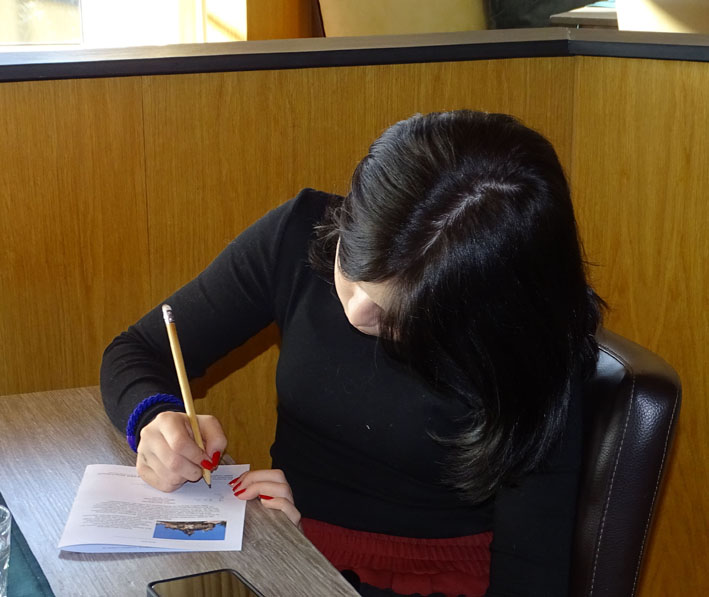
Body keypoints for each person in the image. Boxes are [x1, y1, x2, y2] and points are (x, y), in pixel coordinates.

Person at [101, 110, 603, 597]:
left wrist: (315, 572)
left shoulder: (531, 353)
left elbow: (528, 581)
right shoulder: (297, 232)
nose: (356, 310)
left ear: (481, 315)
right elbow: (137, 350)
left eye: (397, 314)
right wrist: (154, 419)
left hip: (430, 579)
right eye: (350, 263)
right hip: (285, 537)